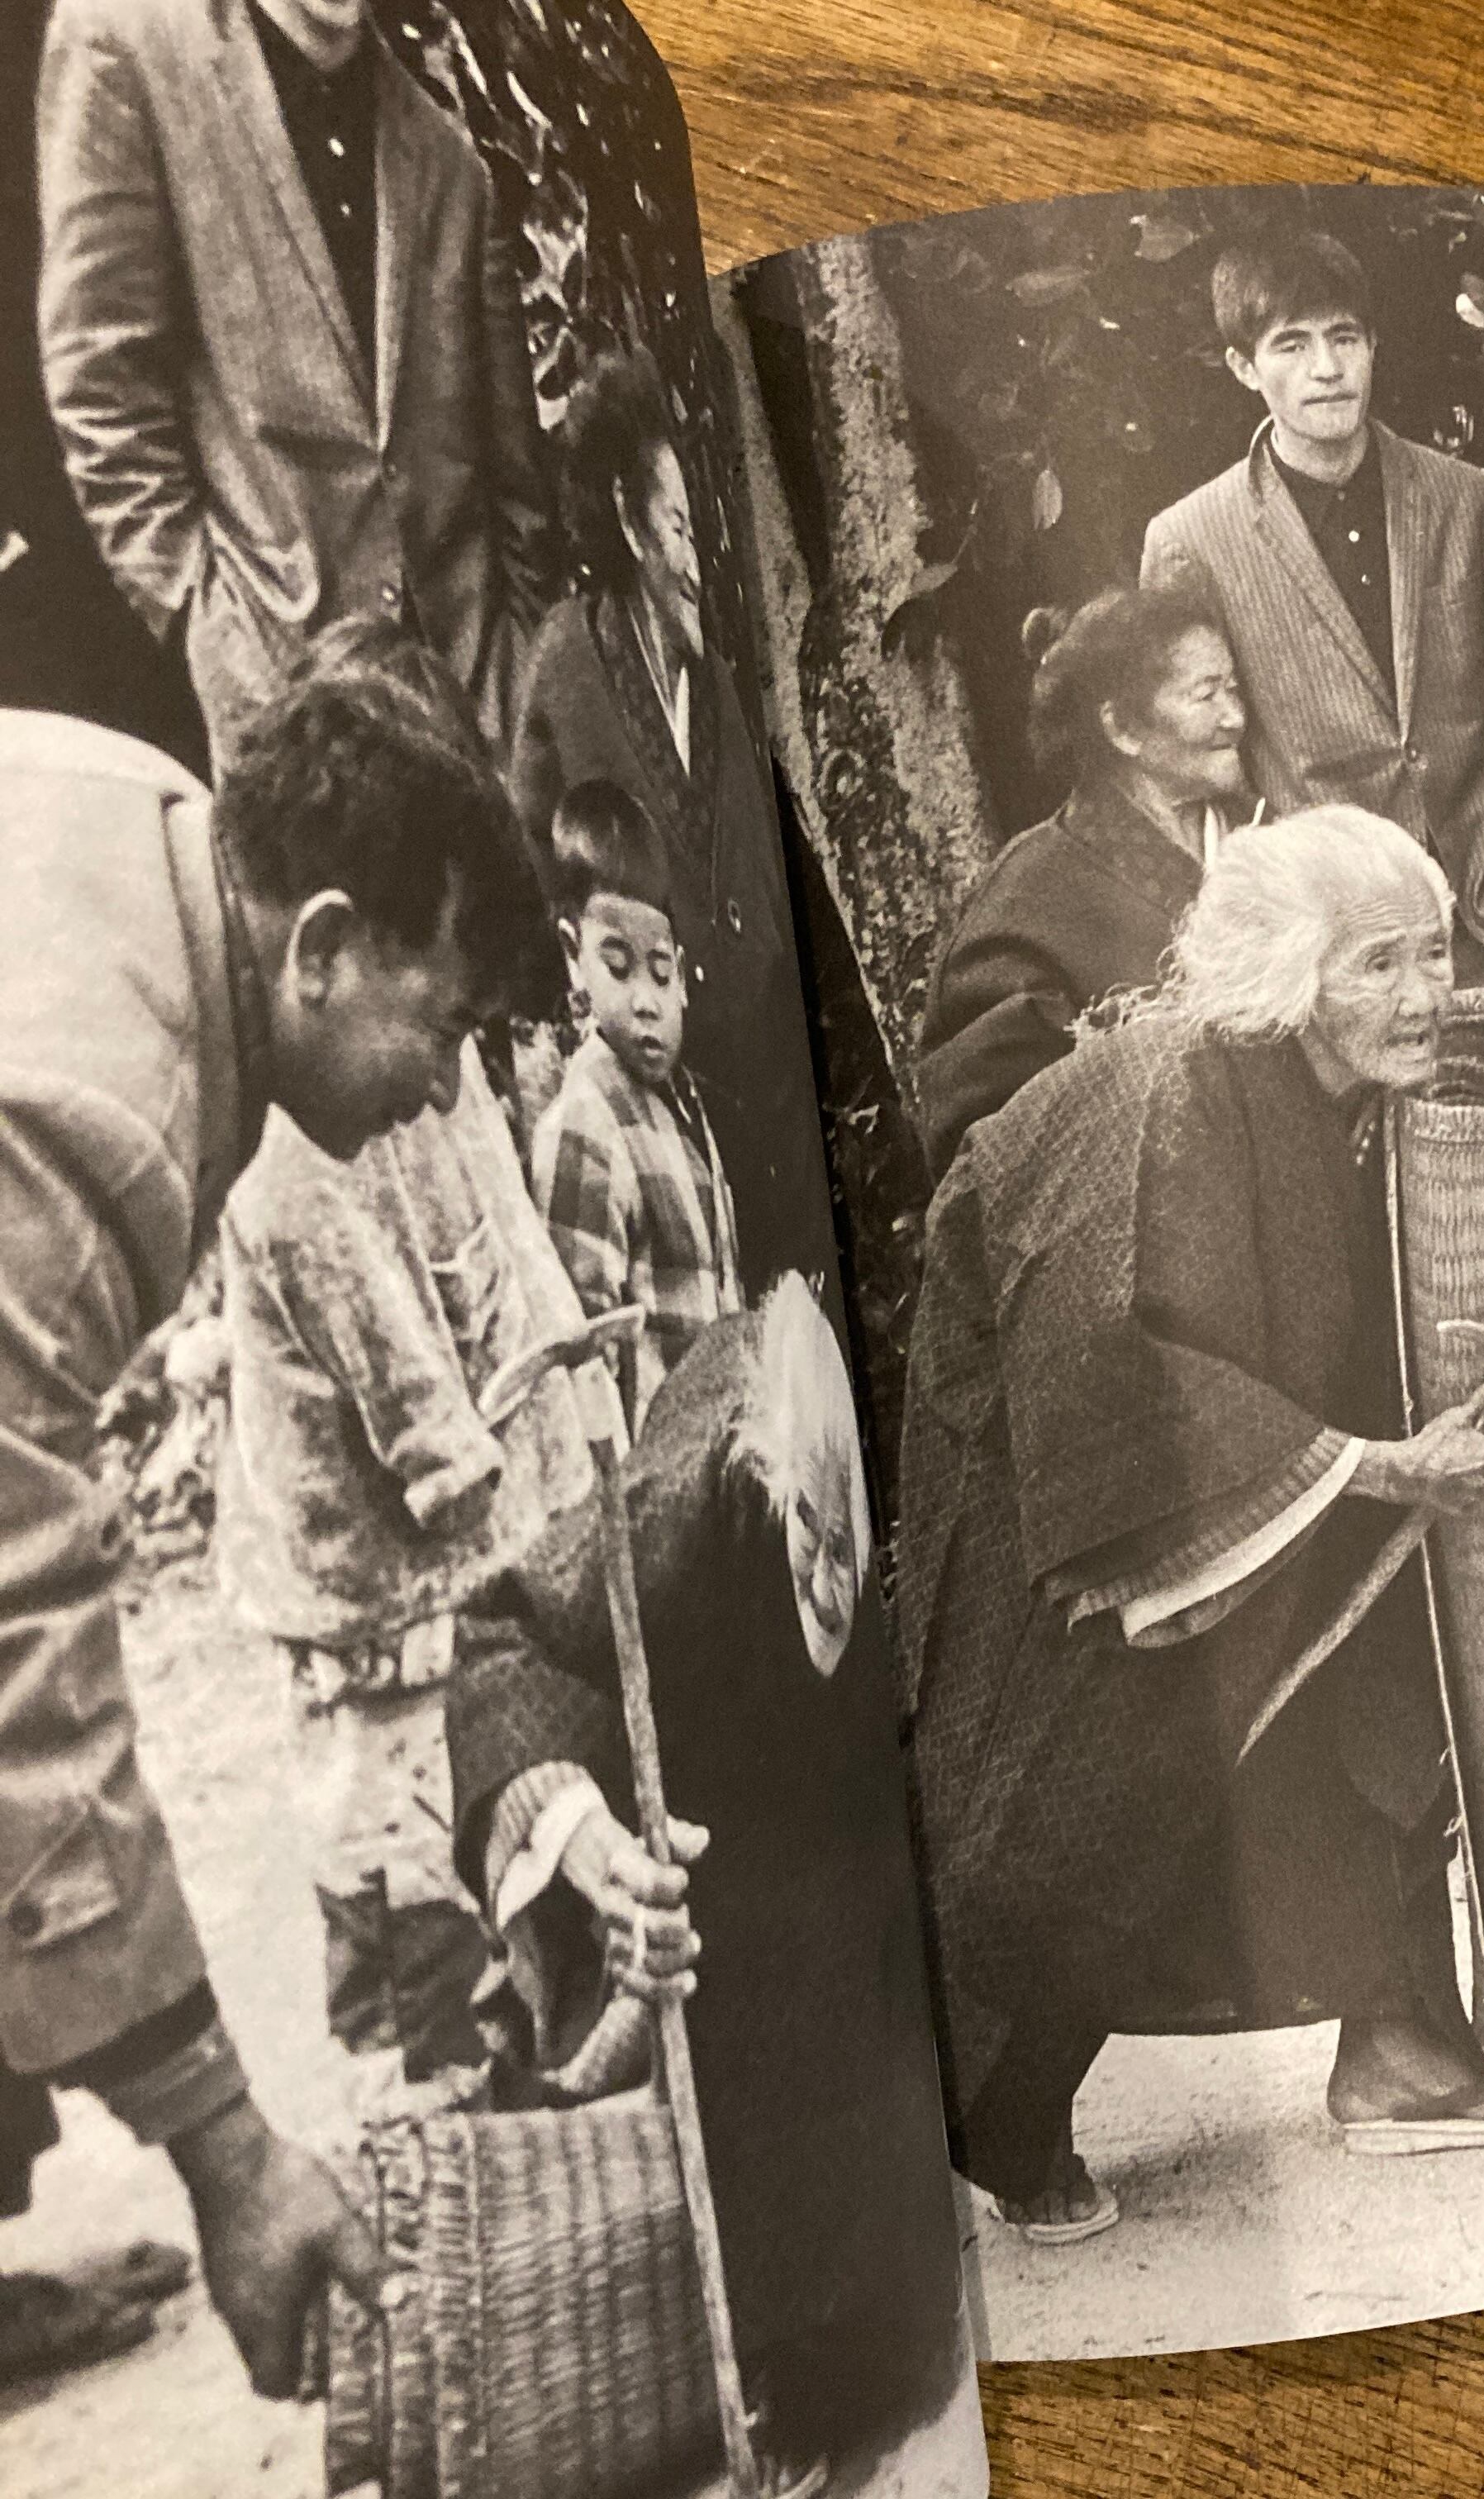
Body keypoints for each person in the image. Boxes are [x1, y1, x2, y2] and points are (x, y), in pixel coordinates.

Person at [898, 807, 1484, 2246]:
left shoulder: (1344, 1091)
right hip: (1067, 1465)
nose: (1422, 993)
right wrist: (1377, 1463)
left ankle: (1392, 2039)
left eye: (1433, 954)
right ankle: (1009, 2115)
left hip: (1263, 1455)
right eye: (1377, 963)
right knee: (1086, 1772)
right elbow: (1120, 1363)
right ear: (1289, 970)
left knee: (1360, 1671)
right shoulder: (1177, 1095)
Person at [0, 664, 554, 2394]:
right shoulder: (81, 1128)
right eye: (441, 1028)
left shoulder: (147, 811)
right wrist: (228, 2148)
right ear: (320, 945)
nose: (443, 1092)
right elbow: (17, 1655)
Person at [445, 1278, 967, 2483]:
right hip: (747, 1827)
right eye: (816, 1543)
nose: (832, 1575)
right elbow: (508, 1642)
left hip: (895, 1763)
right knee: (858, 2330)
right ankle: (806, 2369)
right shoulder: (708, 1480)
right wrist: (594, 1847)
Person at [1139, 230, 1484, 1127]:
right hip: (1337, 957)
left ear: (1373, 346)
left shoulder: (1463, 498)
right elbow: (1195, 773)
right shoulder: (1190, 541)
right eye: (1291, 345)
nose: (1327, 369)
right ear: (1243, 367)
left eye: (1344, 337)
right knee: (1392, 1197)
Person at [216, 1021, 593, 2114]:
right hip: (373, 1634)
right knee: (418, 1966)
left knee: (512, 1914)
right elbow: (437, 1451)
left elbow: (511, 1254)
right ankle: (435, 2140)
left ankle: (510, 2112)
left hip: (496, 1591)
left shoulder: (450, 1061)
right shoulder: (295, 1145)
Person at [36, 0, 555, 768]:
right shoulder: (125, 44)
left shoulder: (450, 162)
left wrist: (520, 692)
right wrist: (209, 625)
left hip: (478, 720)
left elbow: (516, 484)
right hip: (284, 713)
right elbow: (100, 382)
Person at [510, 345, 829, 1297]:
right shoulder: (567, 662)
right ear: (628, 519)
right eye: (680, 529)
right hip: (650, 1110)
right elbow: (537, 882)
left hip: (768, 1111)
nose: (696, 562)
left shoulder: (717, 686)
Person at [916, 584, 1250, 1183]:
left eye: (1234, 688)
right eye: (1206, 695)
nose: (1236, 718)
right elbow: (985, 1150)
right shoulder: (1028, 900)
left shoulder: (1265, 840)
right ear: (1123, 728)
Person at [530, 779, 742, 1432]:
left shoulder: (686, 1109)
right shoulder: (585, 1123)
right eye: (618, 967)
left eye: (660, 971)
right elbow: (581, 1364)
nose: (646, 1001)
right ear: (574, 957)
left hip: (719, 1461)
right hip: (653, 1472)